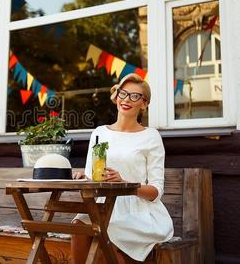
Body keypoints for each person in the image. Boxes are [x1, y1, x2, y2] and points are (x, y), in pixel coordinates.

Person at [72, 73, 174, 263]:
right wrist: (83, 177)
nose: (127, 100)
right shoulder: (99, 133)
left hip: (138, 212)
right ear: (116, 96)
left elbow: (156, 191)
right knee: (79, 225)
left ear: (144, 104)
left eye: (135, 96)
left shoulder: (151, 137)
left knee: (106, 237)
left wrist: (124, 183)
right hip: (102, 206)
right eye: (123, 93)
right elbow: (92, 178)